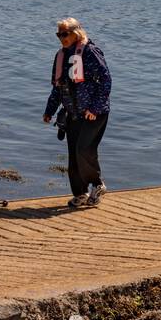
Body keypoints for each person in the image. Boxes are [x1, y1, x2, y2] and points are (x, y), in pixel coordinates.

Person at [43, 18, 112, 209]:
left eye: (65, 34)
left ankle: (97, 185)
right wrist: (49, 111)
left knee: (84, 149)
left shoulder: (90, 52)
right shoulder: (61, 56)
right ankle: (80, 193)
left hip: (94, 113)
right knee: (73, 155)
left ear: (76, 32)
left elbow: (106, 81)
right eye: (59, 34)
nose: (61, 38)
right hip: (72, 114)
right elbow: (57, 88)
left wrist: (95, 108)